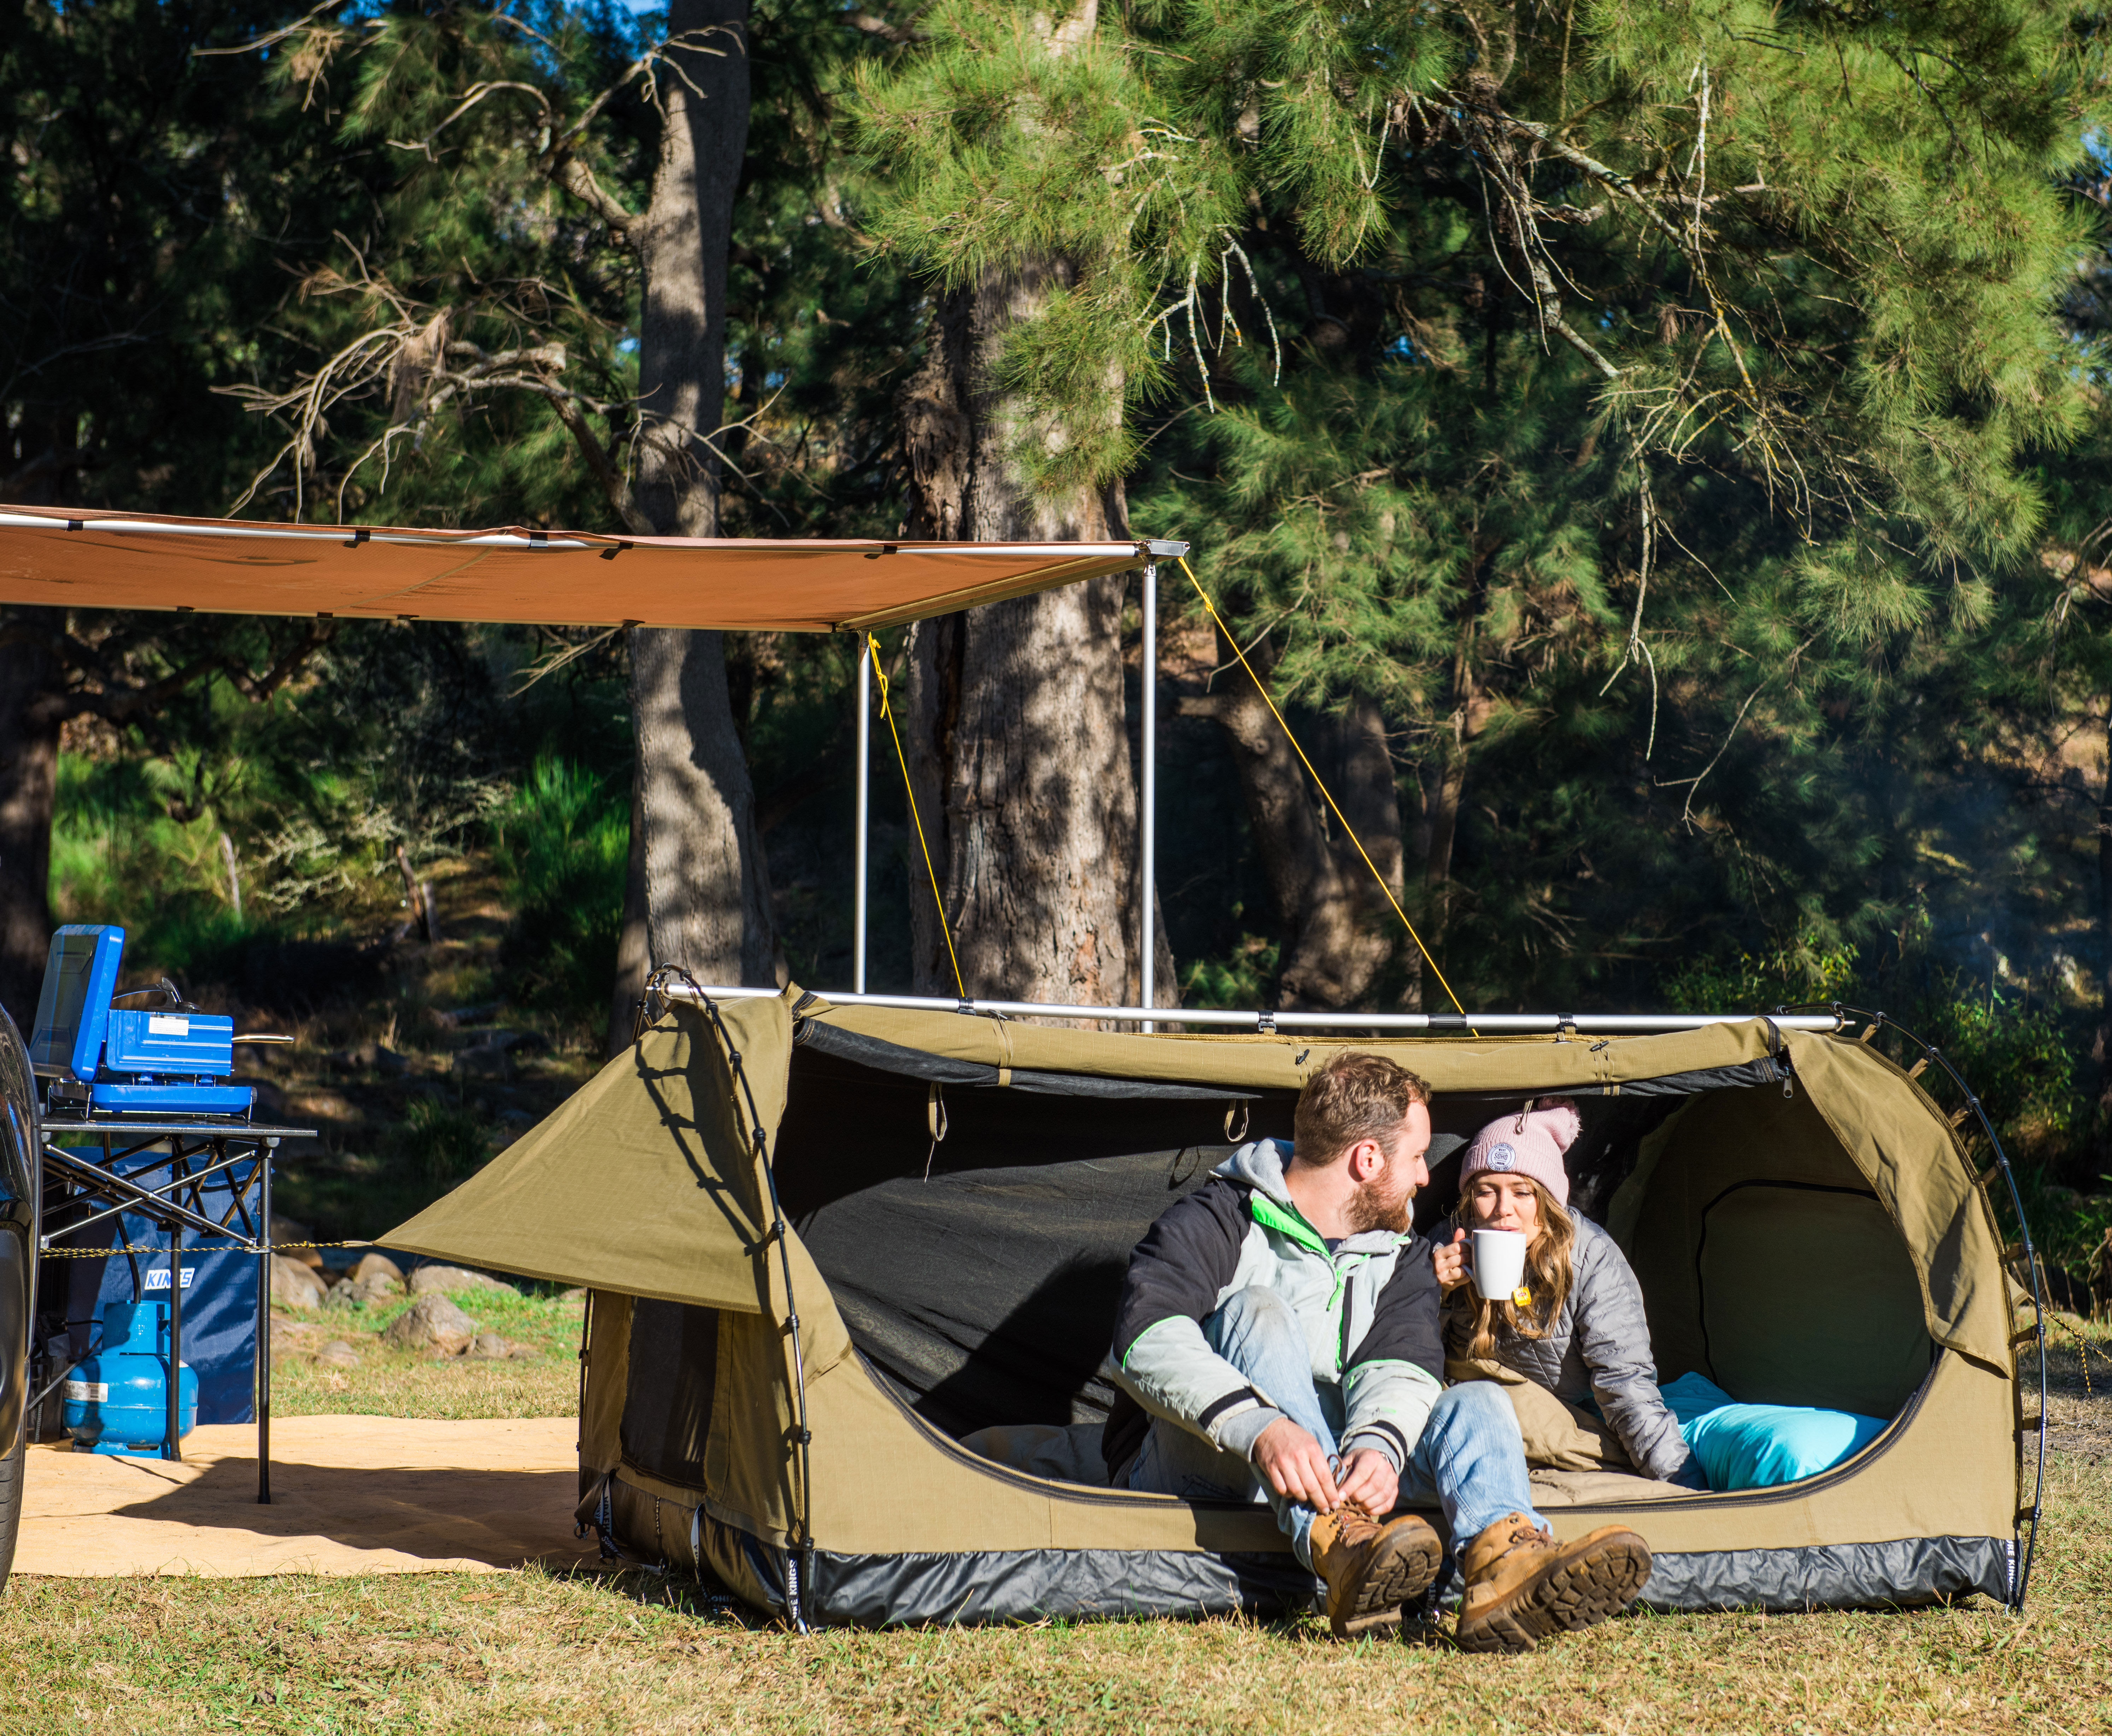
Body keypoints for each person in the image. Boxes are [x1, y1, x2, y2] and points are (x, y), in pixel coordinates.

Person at [1102, 1051, 1652, 1650]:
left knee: (1476, 1401)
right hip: (1214, 1459)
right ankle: (1335, 1538)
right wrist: (1261, 1426)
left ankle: (1503, 1562)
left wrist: (1377, 1446)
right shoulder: (1219, 1216)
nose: (1424, 1177)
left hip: (1336, 1465)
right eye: (1417, 1157)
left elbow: (1401, 1361)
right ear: (1367, 1158)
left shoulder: (1401, 1251)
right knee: (1255, 1311)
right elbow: (1143, 1337)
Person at [1434, 1099, 1705, 1488]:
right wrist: (1434, 1293)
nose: (1502, 1210)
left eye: (1522, 1193)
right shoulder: (1447, 1245)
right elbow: (1411, 1362)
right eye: (1486, 1191)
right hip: (1477, 1419)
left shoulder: (1591, 1258)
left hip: (1569, 1421)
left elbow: (1626, 1385)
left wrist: (1685, 1486)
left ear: (1547, 1200)